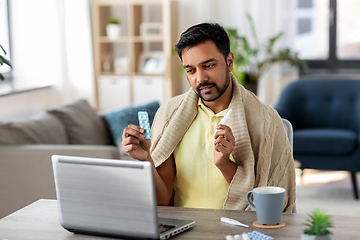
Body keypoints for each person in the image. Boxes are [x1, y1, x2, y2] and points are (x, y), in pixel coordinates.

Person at [122, 23, 296, 212]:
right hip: (182, 229)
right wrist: (146, 159)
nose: (200, 78)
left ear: (229, 62)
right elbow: (162, 200)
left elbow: (268, 207)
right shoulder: (169, 116)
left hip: (235, 230)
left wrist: (225, 164)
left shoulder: (265, 120)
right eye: (191, 70)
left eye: (209, 65)